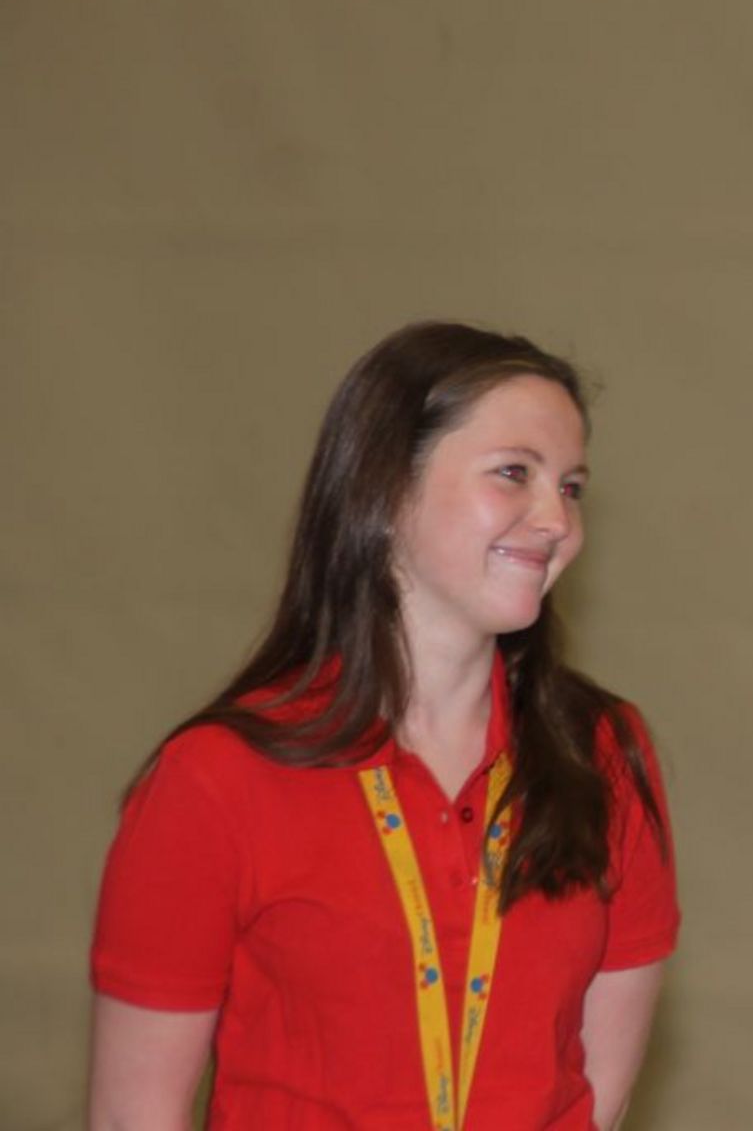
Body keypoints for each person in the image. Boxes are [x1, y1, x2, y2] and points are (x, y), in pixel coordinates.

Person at [89, 322, 678, 1130]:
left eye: (571, 487)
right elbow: (134, 1118)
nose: (556, 521)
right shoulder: (217, 777)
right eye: (514, 473)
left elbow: (598, 1095)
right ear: (385, 489)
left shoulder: (601, 753)